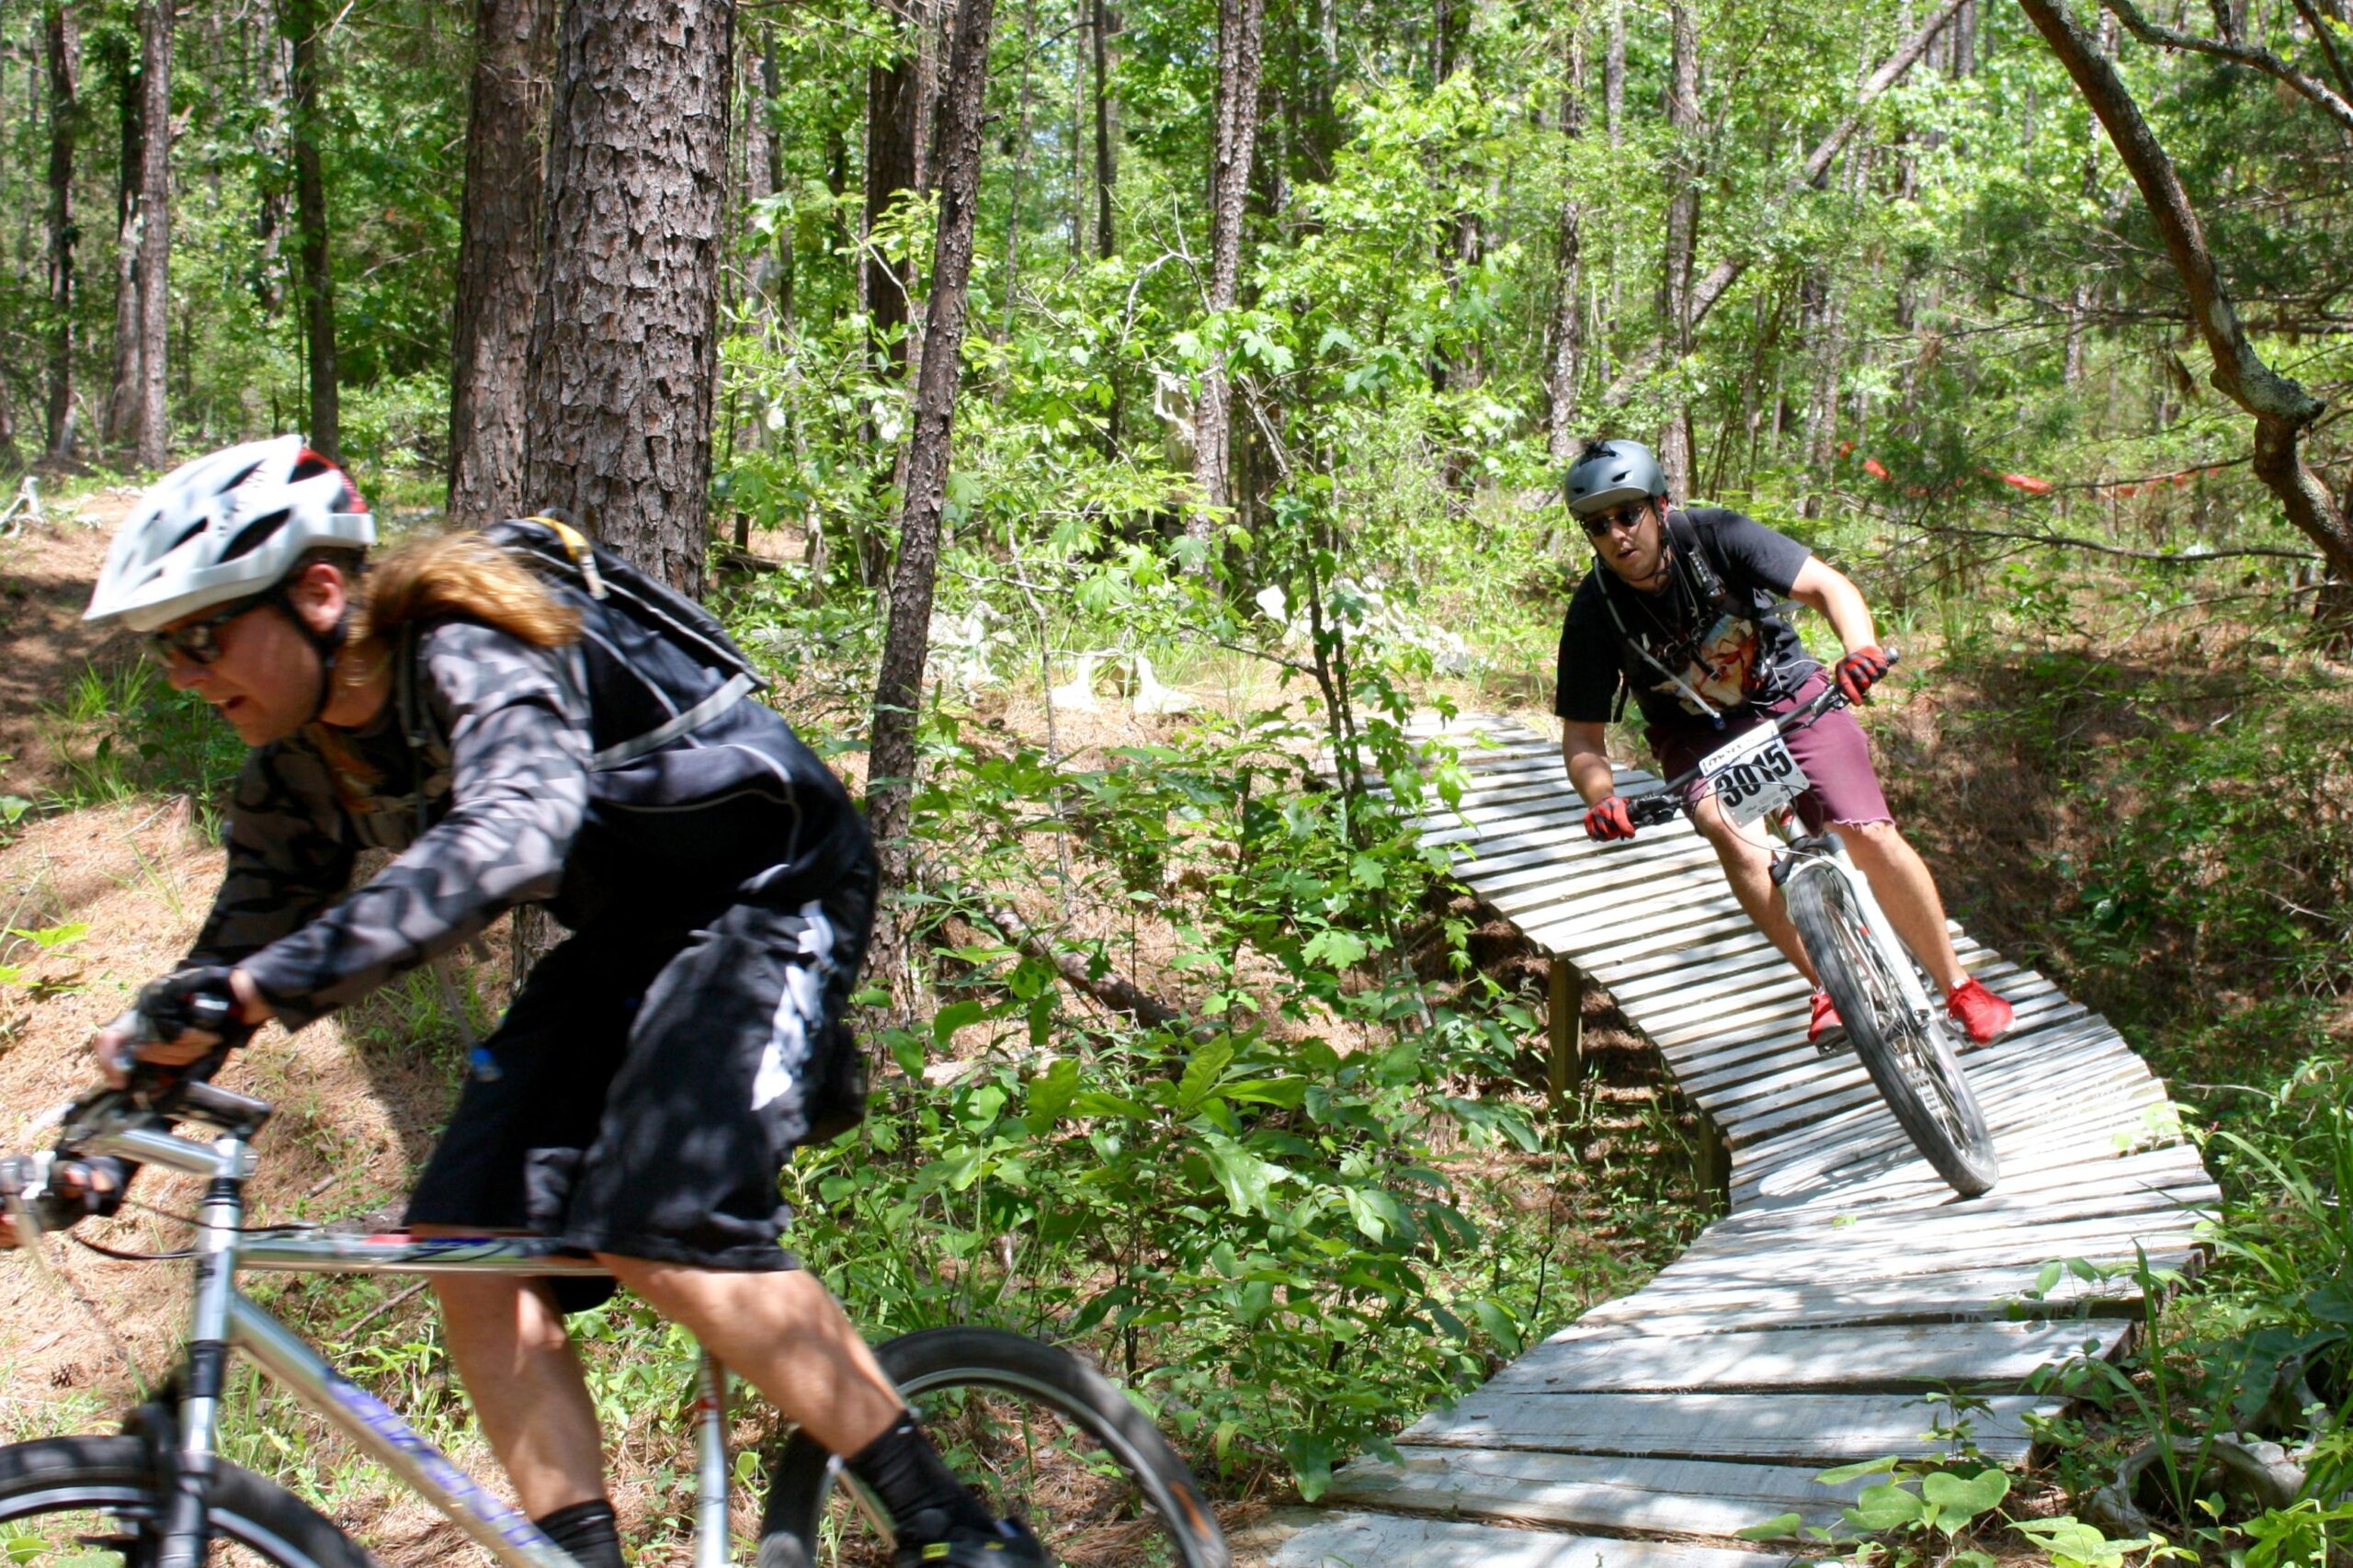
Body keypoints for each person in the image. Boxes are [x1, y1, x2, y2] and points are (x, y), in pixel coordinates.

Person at [61, 437, 1046, 1568]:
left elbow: (513, 834)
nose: (184, 672)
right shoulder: (300, 764)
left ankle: (955, 1529)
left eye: (200, 635)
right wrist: (99, 1148)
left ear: (318, 594)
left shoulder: (467, 647)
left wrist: (252, 989)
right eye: (164, 653)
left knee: (664, 1224)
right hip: (632, 935)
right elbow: (226, 957)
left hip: (770, 890)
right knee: (461, 1238)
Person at [1552, 437, 2014, 1049]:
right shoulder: (1594, 611)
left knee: (1866, 829)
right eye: (1596, 525)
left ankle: (1958, 985)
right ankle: (1829, 985)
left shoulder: (1717, 534)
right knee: (1730, 834)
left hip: (1787, 695)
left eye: (1626, 514)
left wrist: (1860, 650)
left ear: (1660, 507)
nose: (1615, 535)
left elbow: (1829, 587)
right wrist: (1602, 796)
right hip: (1695, 735)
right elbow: (1583, 736)